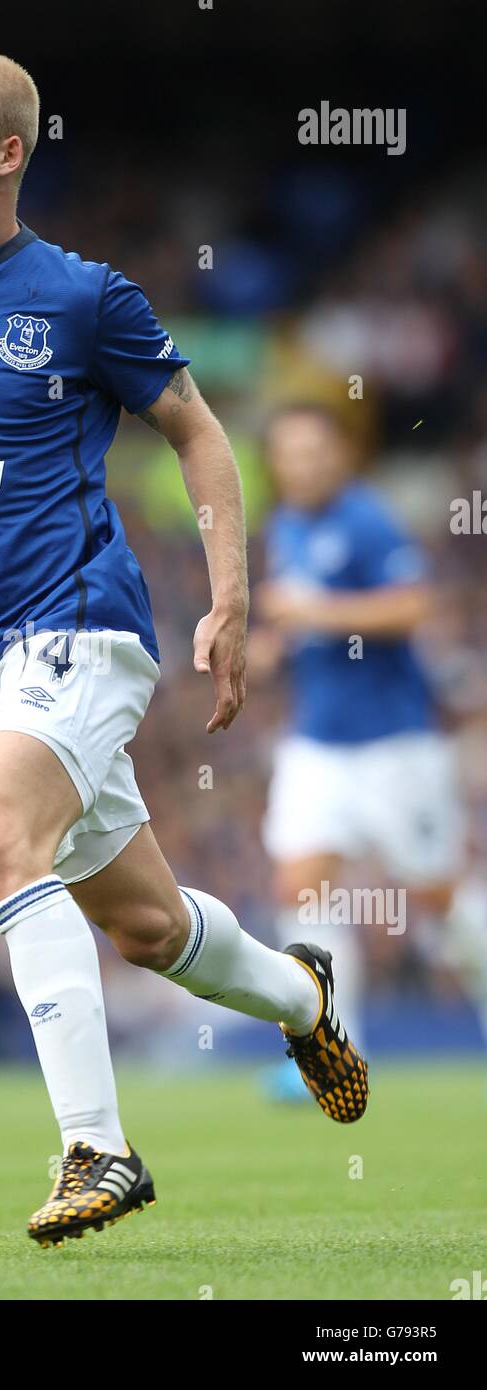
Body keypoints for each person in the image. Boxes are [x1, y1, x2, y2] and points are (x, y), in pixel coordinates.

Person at [0, 50, 368, 1245]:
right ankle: (301, 998)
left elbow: (197, 434)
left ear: (6, 154)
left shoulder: (84, 297)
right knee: (146, 929)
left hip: (80, 623)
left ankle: (99, 1149)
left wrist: (230, 597)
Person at [252, 402, 487, 1098]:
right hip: (317, 743)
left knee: (438, 894)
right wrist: (269, 648)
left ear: (340, 454)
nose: (305, 464)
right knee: (299, 884)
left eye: (315, 451)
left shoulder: (366, 518)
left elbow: (413, 605)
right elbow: (299, 620)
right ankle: (333, 1050)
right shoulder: (286, 526)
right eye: (290, 453)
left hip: (394, 745)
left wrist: (313, 613)